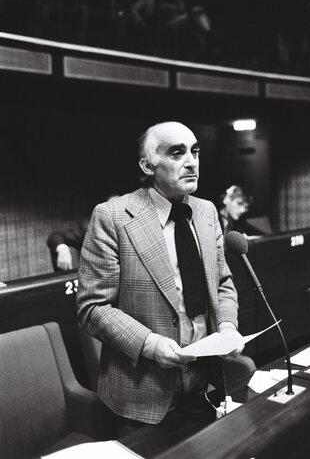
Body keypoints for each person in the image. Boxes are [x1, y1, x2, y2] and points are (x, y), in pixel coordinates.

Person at [76, 121, 244, 433]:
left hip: (203, 383)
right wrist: (151, 344)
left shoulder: (207, 212)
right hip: (142, 393)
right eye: (177, 152)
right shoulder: (111, 216)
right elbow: (93, 308)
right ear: (148, 164)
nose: (191, 161)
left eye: (194, 151)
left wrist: (227, 326)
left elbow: (222, 283)